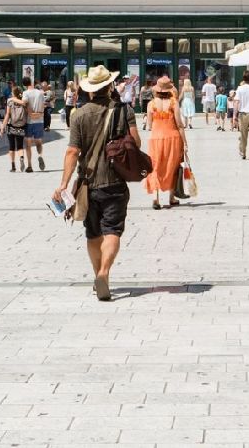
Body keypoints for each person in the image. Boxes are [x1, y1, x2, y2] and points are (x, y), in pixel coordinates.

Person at [53, 65, 140, 301]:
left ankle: (98, 275)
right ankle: (104, 272)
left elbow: (72, 151)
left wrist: (63, 184)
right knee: (112, 230)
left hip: (88, 184)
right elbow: (136, 143)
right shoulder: (124, 111)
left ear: (90, 90)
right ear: (110, 86)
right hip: (115, 181)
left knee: (93, 234)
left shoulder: (78, 115)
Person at [143, 77, 187, 210]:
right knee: (172, 166)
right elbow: (179, 124)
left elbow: (149, 125)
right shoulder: (174, 102)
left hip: (156, 138)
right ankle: (171, 198)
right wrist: (185, 143)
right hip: (173, 138)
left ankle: (155, 199)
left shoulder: (151, 104)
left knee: (155, 166)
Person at [21, 76, 47, 171]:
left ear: (24, 85)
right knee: (38, 142)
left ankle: (29, 165)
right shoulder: (40, 93)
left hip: (29, 121)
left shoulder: (25, 93)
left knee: (28, 144)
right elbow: (43, 105)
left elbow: (24, 103)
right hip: (39, 121)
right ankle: (40, 155)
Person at [4, 86, 29, 172]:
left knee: (11, 146)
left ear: (13, 93)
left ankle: (13, 166)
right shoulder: (23, 101)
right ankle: (21, 158)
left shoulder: (10, 101)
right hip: (21, 125)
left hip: (11, 125)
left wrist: (3, 126)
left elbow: (7, 114)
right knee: (20, 145)